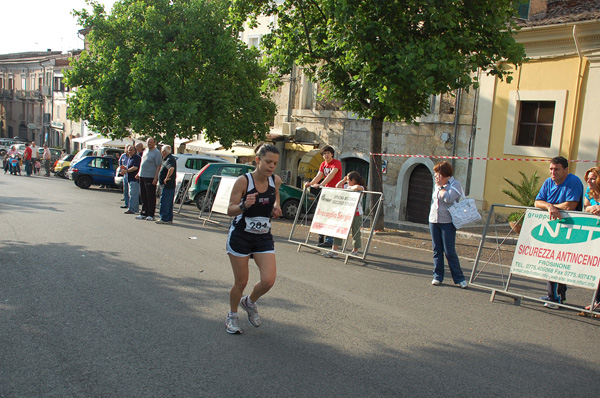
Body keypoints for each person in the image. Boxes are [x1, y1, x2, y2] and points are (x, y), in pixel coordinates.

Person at [225, 144, 282, 334]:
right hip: (241, 235)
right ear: (257, 160)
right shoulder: (243, 182)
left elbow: (275, 198)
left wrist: (275, 207)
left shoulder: (276, 181)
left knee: (268, 281)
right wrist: (243, 205)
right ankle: (232, 316)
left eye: (274, 163)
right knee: (241, 282)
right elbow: (230, 210)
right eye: (268, 162)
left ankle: (249, 302)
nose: (271, 166)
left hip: (263, 235)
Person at [534, 156, 583, 309]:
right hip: (552, 227)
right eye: (551, 169)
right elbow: (537, 202)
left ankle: (556, 297)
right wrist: (549, 207)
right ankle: (553, 295)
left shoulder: (573, 181)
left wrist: (553, 207)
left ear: (566, 170)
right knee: (551, 261)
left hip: (569, 228)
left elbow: (570, 205)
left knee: (560, 263)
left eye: (556, 169)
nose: (552, 172)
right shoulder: (548, 182)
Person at [429, 161, 468, 289]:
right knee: (437, 250)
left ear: (444, 174)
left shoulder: (455, 184)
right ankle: (437, 276)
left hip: (448, 222)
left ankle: (459, 278)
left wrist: (441, 187)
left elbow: (448, 198)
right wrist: (440, 187)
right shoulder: (437, 184)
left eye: (437, 174)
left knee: (449, 251)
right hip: (434, 220)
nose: (435, 176)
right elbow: (436, 199)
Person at [306, 145, 342, 247]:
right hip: (326, 191)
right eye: (324, 154)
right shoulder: (323, 164)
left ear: (332, 154)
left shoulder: (336, 163)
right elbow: (319, 175)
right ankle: (321, 236)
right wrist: (310, 183)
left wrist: (321, 185)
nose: (326, 155)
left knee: (331, 216)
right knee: (321, 214)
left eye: (328, 153)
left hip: (335, 191)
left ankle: (330, 240)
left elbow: (331, 175)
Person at [323, 171, 365, 258]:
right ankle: (334, 250)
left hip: (356, 213)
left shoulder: (360, 187)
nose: (347, 182)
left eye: (349, 180)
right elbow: (337, 186)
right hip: (346, 212)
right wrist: (343, 180)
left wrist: (349, 188)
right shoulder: (347, 185)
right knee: (339, 230)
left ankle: (355, 251)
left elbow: (357, 188)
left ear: (353, 180)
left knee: (355, 232)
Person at [135, 138, 162, 221]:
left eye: (151, 142)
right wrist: (139, 173)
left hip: (150, 177)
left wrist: (155, 178)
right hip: (142, 175)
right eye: (148, 142)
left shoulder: (157, 152)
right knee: (143, 195)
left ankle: (151, 214)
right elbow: (142, 163)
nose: (149, 143)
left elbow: (158, 166)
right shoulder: (145, 150)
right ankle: (143, 212)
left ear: (154, 143)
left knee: (150, 196)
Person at [156, 145, 177, 224]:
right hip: (168, 185)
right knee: (168, 202)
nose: (161, 152)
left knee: (165, 201)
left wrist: (167, 178)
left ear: (164, 151)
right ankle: (168, 218)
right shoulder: (168, 158)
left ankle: (164, 218)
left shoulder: (169, 159)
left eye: (161, 150)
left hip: (167, 185)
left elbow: (171, 168)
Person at [123, 146, 141, 215]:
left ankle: (131, 209)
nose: (130, 151)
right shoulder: (130, 158)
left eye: (131, 150)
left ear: (135, 150)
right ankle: (135, 209)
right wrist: (125, 168)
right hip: (129, 178)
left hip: (135, 179)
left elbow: (135, 167)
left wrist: (126, 171)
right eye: (129, 150)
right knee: (133, 194)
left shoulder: (137, 157)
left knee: (133, 194)